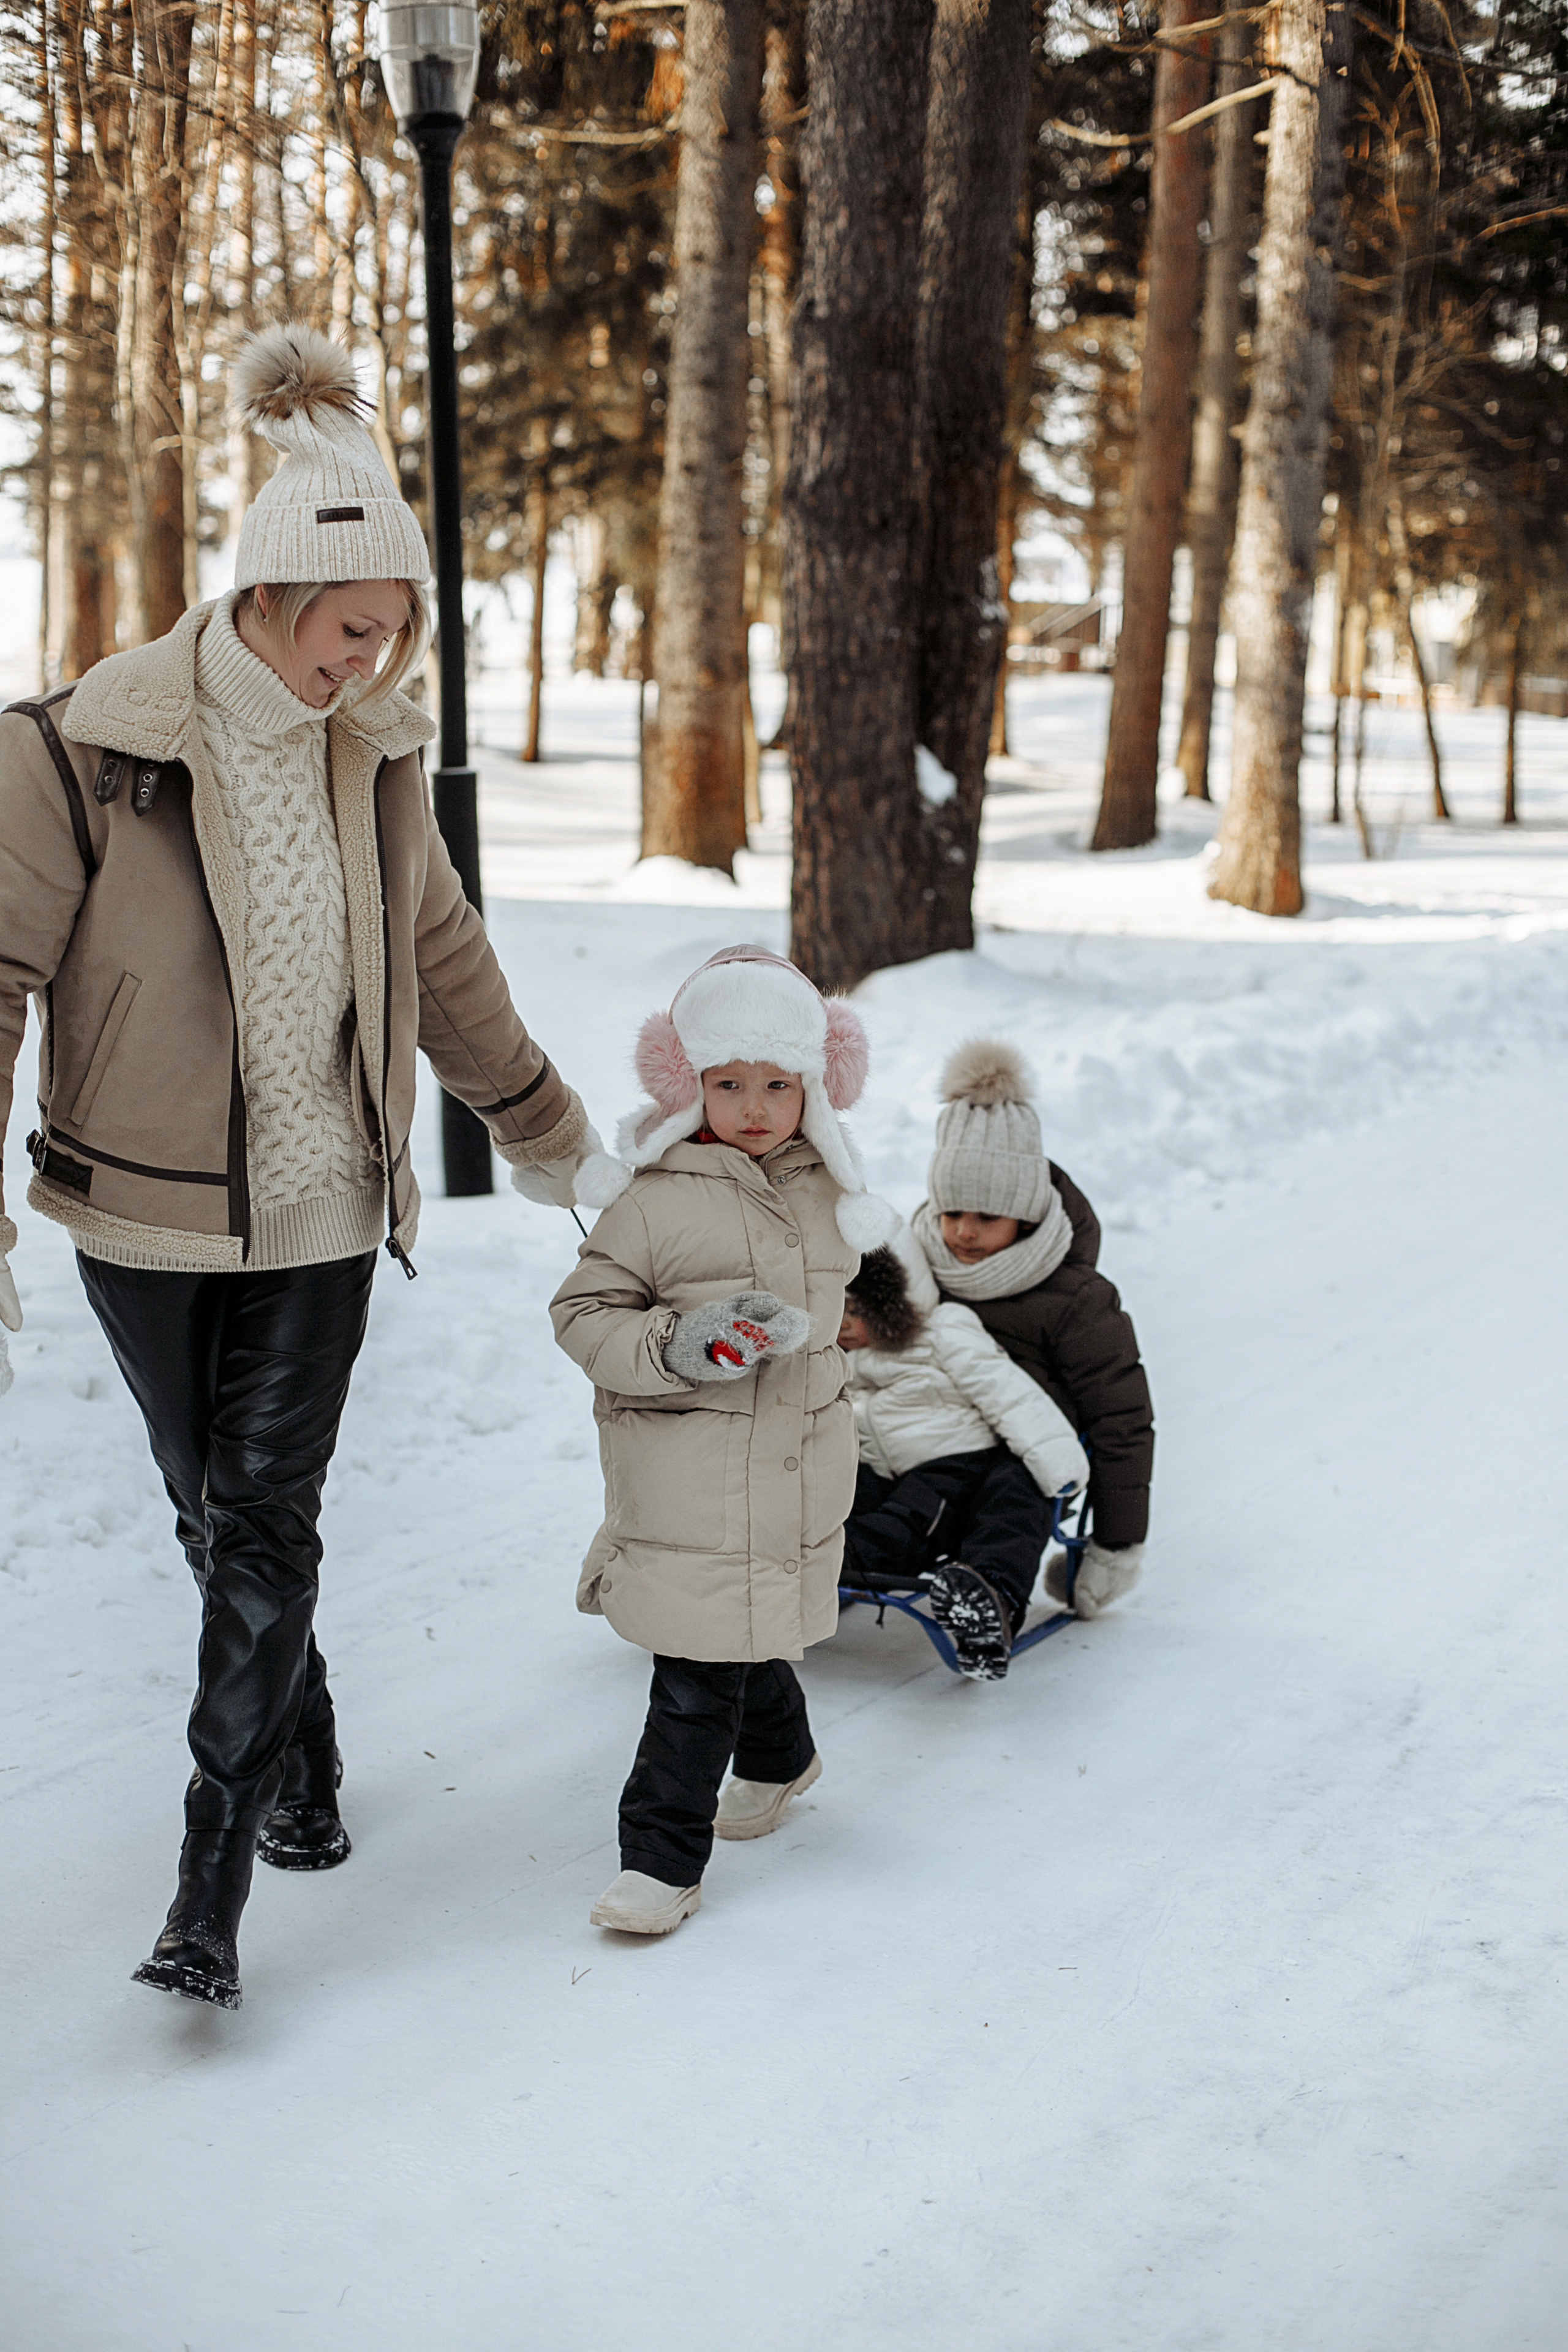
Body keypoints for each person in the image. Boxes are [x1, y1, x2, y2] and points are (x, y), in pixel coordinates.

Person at [0, 323, 601, 2010]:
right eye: (350, 629)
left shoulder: (375, 756)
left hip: (326, 1204)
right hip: (140, 1208)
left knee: (266, 1515)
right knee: (214, 1518)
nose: (369, 661)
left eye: (396, 633)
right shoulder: (79, 750)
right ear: (267, 597)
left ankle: (213, 1873)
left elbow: (446, 962)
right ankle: (307, 1749)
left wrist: (545, 1128)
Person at [550, 944, 894, 1938]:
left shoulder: (834, 1194)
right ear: (685, 1081)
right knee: (699, 1669)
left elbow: (853, 1311)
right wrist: (677, 1343)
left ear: (815, 1088)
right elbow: (585, 1315)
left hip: (795, 1461)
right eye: (728, 1082)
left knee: (737, 1633)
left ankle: (782, 1760)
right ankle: (661, 1864)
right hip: (687, 1471)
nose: (752, 1105)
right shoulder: (653, 1198)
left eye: (777, 1085)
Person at [904, 1038, 1155, 1669]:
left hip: (1024, 1448)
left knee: (1011, 1497)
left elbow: (1121, 1421)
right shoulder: (912, 1268)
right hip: (927, 1434)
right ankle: (817, 1567)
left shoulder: (1075, 1299)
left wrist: (1115, 1543)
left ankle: (988, 1598)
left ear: (1024, 1213)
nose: (963, 1231)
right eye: (951, 1211)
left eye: (986, 1216)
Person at [837, 1238, 1090, 1679]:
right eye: (832, 1307)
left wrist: (1061, 1468)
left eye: (856, 1310)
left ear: (894, 1303)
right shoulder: (829, 1359)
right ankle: (800, 1560)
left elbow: (1009, 1396)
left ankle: (985, 1602)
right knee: (838, 1499)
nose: (841, 1324)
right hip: (880, 1471)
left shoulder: (943, 1332)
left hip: (956, 1464)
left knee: (934, 1516)